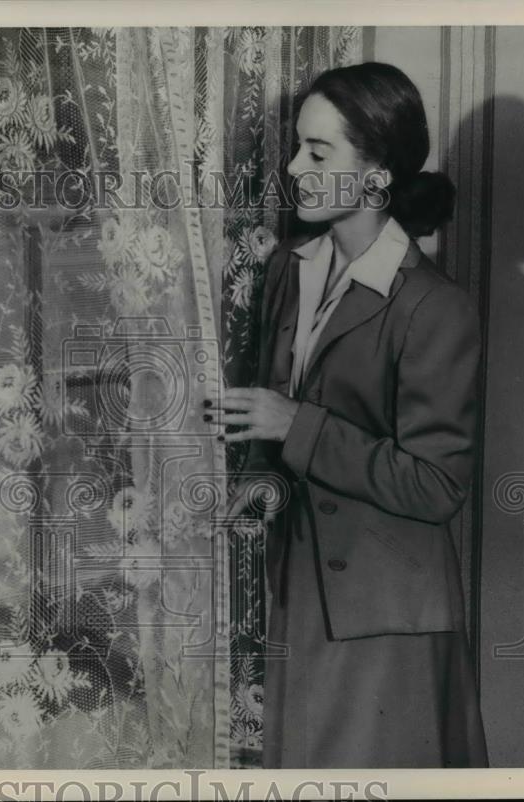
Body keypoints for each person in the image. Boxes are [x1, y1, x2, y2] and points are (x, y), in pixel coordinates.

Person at [204, 62, 489, 768]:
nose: (294, 167)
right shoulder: (289, 271)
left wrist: (292, 425)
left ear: (376, 176)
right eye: (298, 147)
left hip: (384, 614)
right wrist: (258, 486)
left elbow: (435, 486)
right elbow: (282, 439)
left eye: (318, 152)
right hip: (297, 593)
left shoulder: (435, 307)